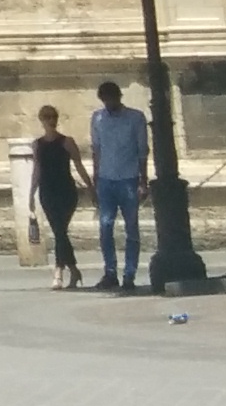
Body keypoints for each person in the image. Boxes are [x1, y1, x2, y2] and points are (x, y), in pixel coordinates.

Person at [87, 79, 149, 293]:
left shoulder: (135, 118)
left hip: (129, 178)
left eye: (110, 99)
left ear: (118, 97)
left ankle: (129, 274)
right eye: (104, 100)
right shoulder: (98, 118)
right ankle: (110, 272)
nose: (108, 104)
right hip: (106, 179)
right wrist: (95, 180)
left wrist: (143, 181)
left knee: (132, 228)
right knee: (105, 226)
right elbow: (96, 149)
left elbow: (142, 151)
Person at [30, 104, 90, 289]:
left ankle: (59, 271)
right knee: (59, 232)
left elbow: (79, 165)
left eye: (53, 117)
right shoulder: (37, 144)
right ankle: (73, 270)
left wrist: (90, 186)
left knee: (60, 231)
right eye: (47, 117)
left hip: (66, 191)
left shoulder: (67, 142)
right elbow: (37, 170)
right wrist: (31, 194)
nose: (51, 120)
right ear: (41, 120)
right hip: (47, 191)